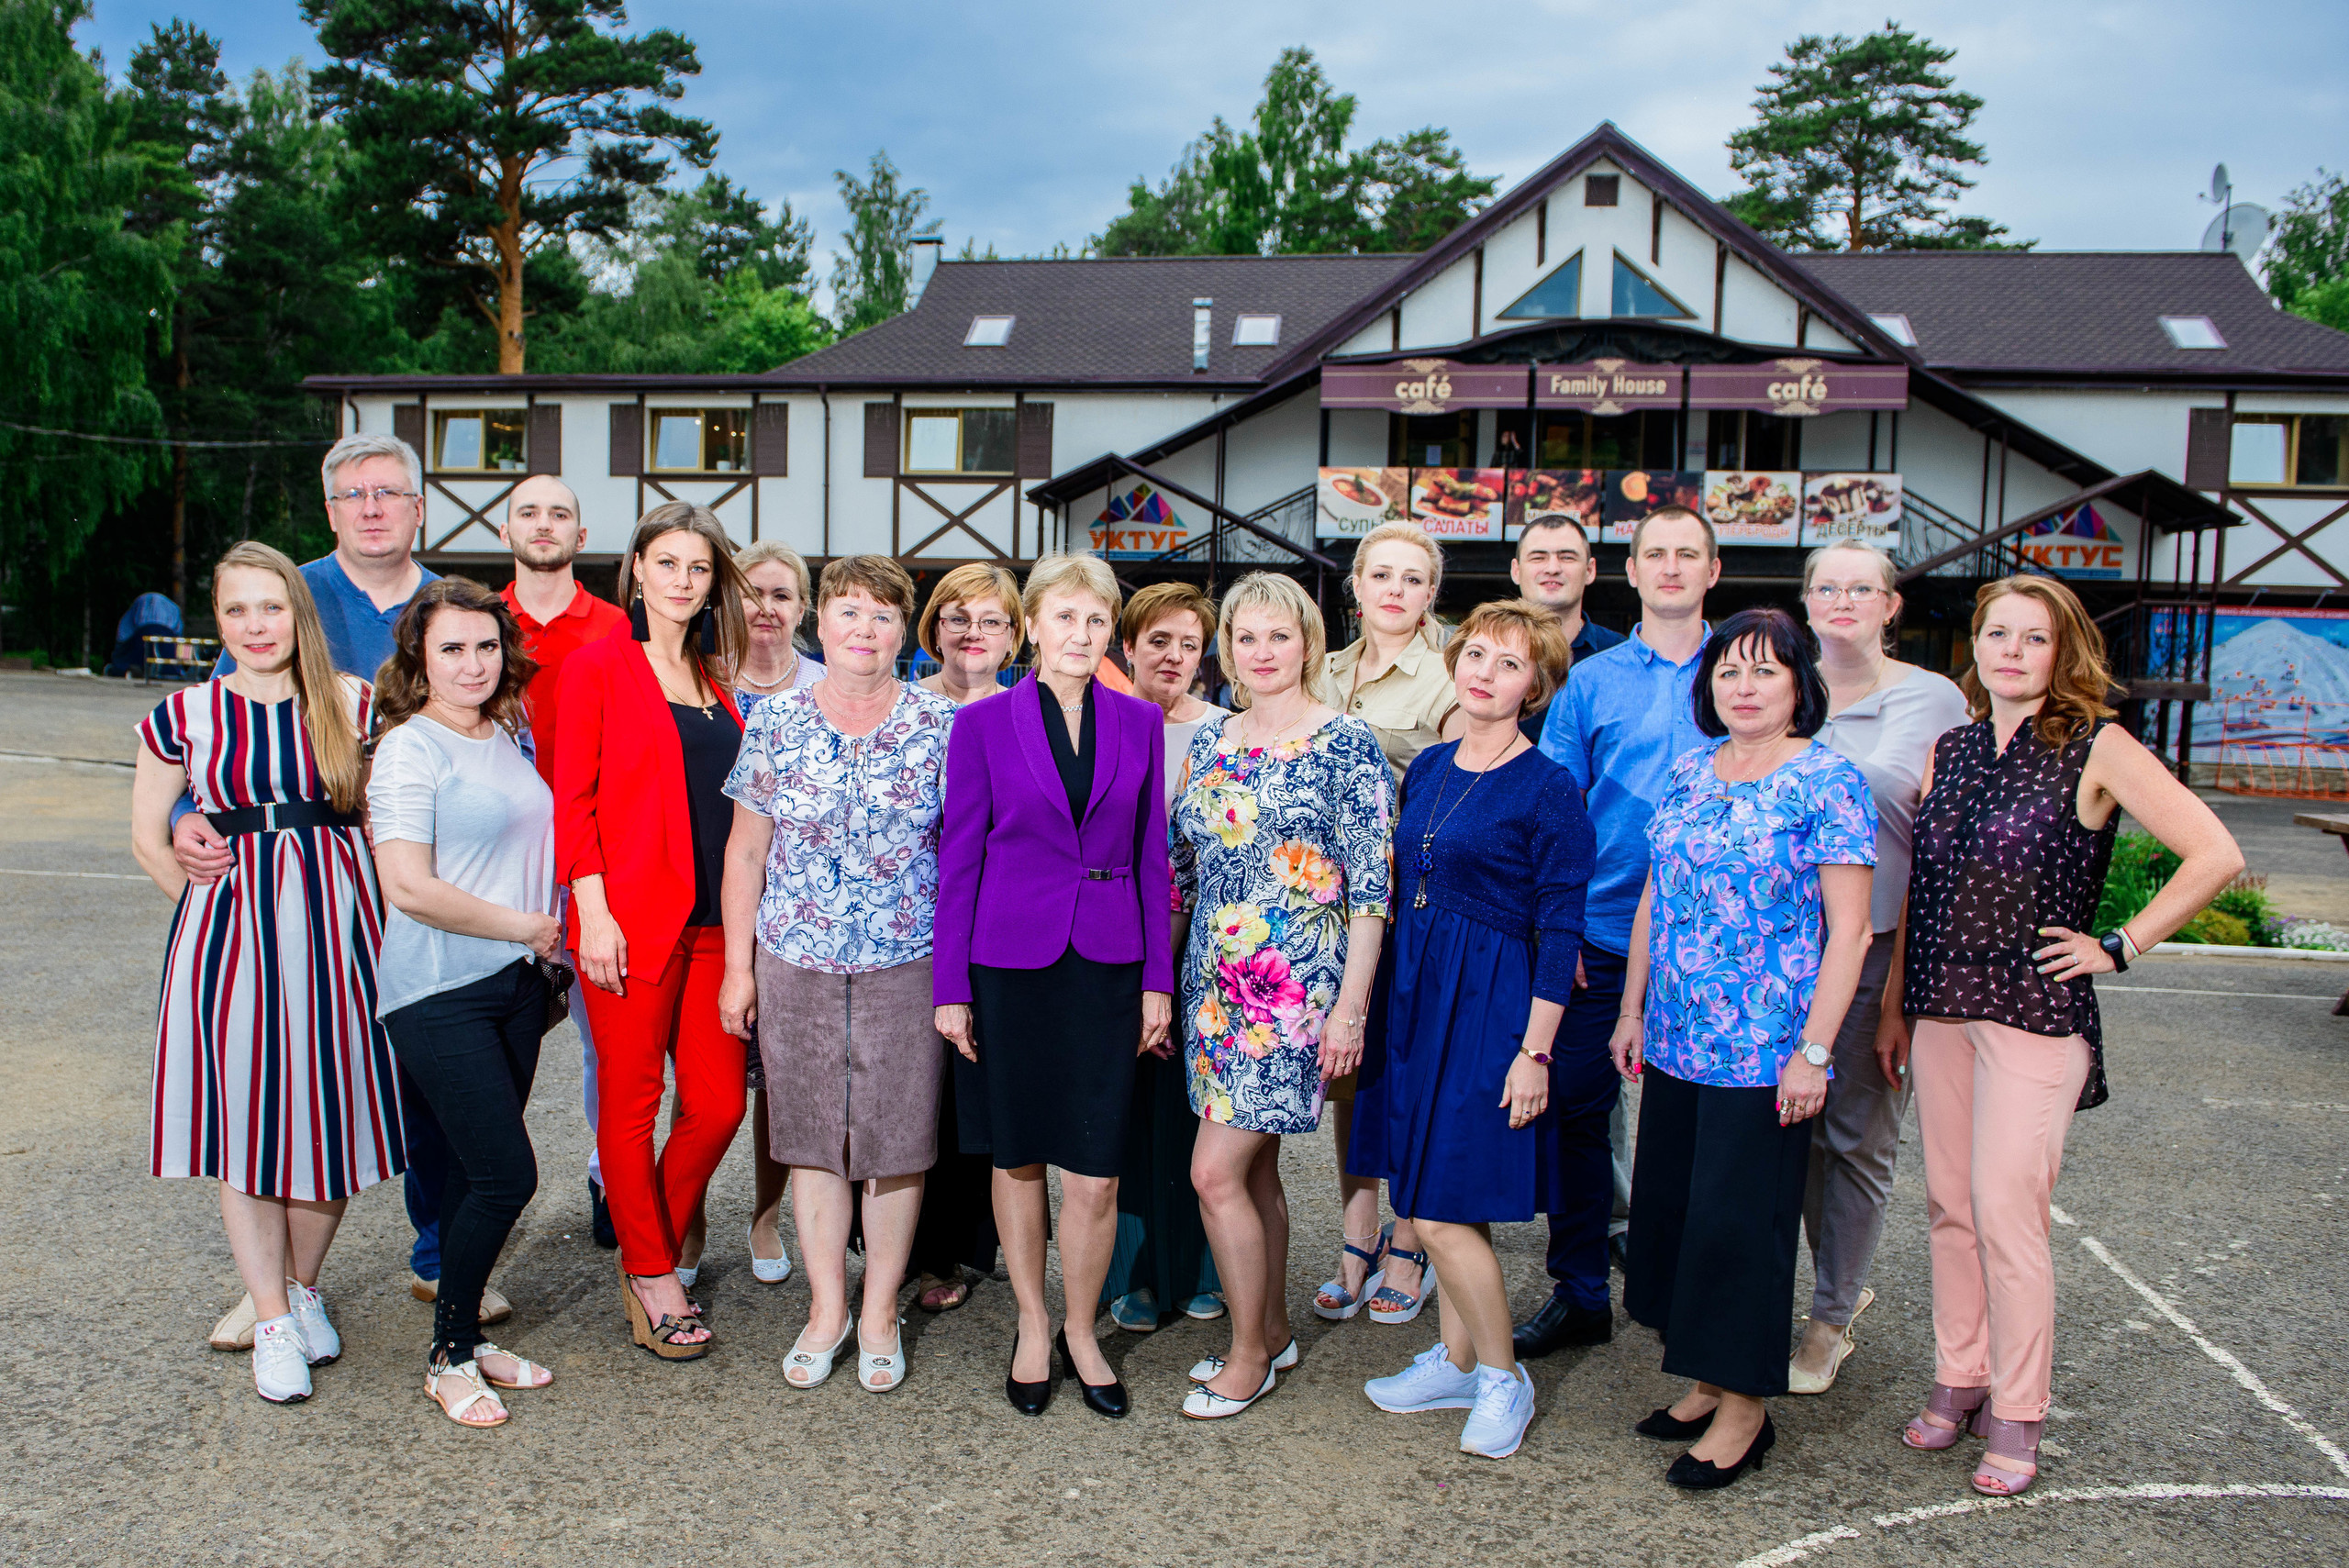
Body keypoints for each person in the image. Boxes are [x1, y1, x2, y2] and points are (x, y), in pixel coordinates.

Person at [1898, 574, 2242, 1497]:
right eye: (1996, 633)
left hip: (2036, 1012)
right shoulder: (1950, 747)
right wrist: (1895, 1008)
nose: (2011, 651)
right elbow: (1923, 890)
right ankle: (1961, 1374)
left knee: (2006, 1211)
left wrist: (2119, 944)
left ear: (2064, 652)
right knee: (1948, 1205)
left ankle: (2018, 1409)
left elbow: (2216, 852)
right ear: (1974, 645)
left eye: (2034, 637)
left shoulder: (2098, 743)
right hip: (1939, 1008)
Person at [173, 436, 492, 1356]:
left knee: (433, 1075)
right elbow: (219, 739)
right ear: (330, 510)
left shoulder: (451, 603)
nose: (372, 507)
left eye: (388, 491)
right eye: (353, 494)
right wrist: (186, 817)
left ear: (419, 506)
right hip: (315, 888)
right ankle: (274, 1290)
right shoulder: (288, 592)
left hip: (425, 872)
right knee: (295, 1086)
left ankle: (441, 1253)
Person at [1613, 606, 1877, 1489]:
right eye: (1729, 670)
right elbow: (1655, 895)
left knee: (1739, 1230)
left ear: (1801, 684)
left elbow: (1850, 932)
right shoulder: (1691, 770)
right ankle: (1705, 1378)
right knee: (1678, 1218)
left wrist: (1815, 1051)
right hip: (1677, 1040)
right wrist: (1631, 1009)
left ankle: (1745, 1411)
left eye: (1766, 669)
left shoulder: (1828, 781)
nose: (1745, 685)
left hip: (1765, 1052)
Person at [128, 541, 397, 1404]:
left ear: (298, 614)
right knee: (247, 1130)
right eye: (237, 609)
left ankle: (304, 1290)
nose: (256, 625)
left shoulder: (353, 704)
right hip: (231, 948)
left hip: (341, 941)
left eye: (271, 606)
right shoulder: (185, 714)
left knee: (330, 1127)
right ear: (217, 619)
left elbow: (388, 820)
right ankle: (272, 1320)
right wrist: (212, 919)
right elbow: (147, 835)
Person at [933, 551, 1174, 1419]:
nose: (1081, 633)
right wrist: (949, 986)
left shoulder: (1140, 721)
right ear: (1031, 624)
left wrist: (1157, 981)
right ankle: (1032, 1323)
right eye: (1065, 617)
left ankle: (1081, 1327)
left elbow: (1152, 856)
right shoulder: (982, 725)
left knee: (1097, 1169)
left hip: (1108, 964)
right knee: (1019, 1153)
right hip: (1007, 964)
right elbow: (958, 858)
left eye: (1097, 619)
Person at [1351, 600, 1593, 1460]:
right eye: (1477, 654)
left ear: (1536, 685)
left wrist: (1535, 1051)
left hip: (1492, 1003)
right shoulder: (1431, 765)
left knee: (1443, 1208)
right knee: (1430, 1193)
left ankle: (1501, 1376)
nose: (1486, 672)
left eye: (1510, 663)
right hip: (1419, 991)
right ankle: (1456, 1362)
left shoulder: (1550, 786)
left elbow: (1561, 930)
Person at [719, 555, 959, 1394]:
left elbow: (963, 853)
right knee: (813, 1139)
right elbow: (746, 851)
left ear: (904, 631)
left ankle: (881, 1307)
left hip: (907, 961)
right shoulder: (776, 721)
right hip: (797, 959)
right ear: (820, 622)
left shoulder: (941, 725)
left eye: (883, 614)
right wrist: (739, 969)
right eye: (849, 611)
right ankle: (827, 1308)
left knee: (897, 1141)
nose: (865, 628)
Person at [1173, 572, 1393, 1418]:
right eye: (1247, 637)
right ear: (1228, 648)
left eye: (1280, 635)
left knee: (1213, 1172)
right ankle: (1270, 1330)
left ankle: (1246, 1357)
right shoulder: (1214, 738)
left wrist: (1351, 1007)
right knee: (1254, 1168)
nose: (1262, 652)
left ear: (1307, 643)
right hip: (1213, 987)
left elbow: (1371, 887)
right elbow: (1184, 866)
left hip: (1292, 993)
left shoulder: (1345, 741)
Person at [1519, 503, 1720, 1360]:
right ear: (1631, 572)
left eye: (1688, 553)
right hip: (1600, 931)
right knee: (1576, 1112)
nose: (1671, 567)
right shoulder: (1591, 682)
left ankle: (1687, 1293)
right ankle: (1581, 1290)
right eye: (1655, 553)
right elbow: (1559, 813)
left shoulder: (1746, 671)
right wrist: (1555, 930)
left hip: (1716, 942)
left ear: (1712, 570)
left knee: (1701, 1126)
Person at [553, 502, 751, 1360]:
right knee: (631, 1103)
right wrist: (592, 912)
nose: (682, 580)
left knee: (719, 1105)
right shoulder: (598, 666)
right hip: (628, 924)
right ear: (635, 568)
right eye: (666, 562)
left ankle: (647, 1249)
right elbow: (573, 799)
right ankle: (653, 1274)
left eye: (698, 567)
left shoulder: (716, 679)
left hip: (715, 928)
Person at [369, 578, 561, 1428]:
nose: (473, 663)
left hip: (515, 987)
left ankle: (463, 1339)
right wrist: (527, 925)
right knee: (504, 1174)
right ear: (420, 658)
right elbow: (408, 885)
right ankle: (446, 1359)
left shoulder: (505, 732)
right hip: (439, 990)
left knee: (462, 1174)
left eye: (486, 645)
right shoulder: (410, 748)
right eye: (451, 648)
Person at [1787, 541, 1970, 1395]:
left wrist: (1901, 994)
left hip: (1876, 944)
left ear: (1891, 605)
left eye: (1862, 587)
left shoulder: (1933, 699)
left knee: (1855, 1138)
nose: (1843, 599)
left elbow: (1940, 850)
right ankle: (1827, 1286)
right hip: (1775, 951)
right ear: (1807, 600)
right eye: (1827, 586)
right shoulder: (1783, 684)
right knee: (1789, 1133)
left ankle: (1829, 1320)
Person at [1319, 522, 1459, 1328]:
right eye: (1381, 574)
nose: (1395, 590)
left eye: (1412, 577)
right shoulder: (1324, 667)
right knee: (1352, 1075)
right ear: (1358, 584)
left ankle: (1410, 1240)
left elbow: (1460, 794)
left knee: (1412, 1072)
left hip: (1413, 904)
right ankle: (1358, 1230)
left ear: (1430, 592)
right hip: (1328, 904)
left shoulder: (1448, 675)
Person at [674, 538, 819, 1291]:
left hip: (798, 913)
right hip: (709, 900)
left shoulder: (826, 684)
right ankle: (689, 1218)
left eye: (782, 594)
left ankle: (765, 1216)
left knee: (780, 1085)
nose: (766, 608)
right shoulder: (699, 679)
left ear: (804, 607)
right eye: (751, 593)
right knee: (704, 1083)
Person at [495, 475, 629, 1253]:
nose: (543, 524)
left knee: (602, 1039)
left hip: (589, 859)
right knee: (493, 1040)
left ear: (581, 536)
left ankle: (610, 1174)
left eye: (559, 514)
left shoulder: (616, 626)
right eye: (528, 512)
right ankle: (484, 1201)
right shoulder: (479, 623)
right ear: (505, 529)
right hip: (498, 862)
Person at [1103, 582, 1228, 1334]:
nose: (1174, 656)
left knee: (1198, 1110)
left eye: (1189, 644)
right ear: (1128, 647)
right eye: (1158, 641)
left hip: (1208, 948)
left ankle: (1199, 1267)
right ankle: (1132, 1273)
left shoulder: (1225, 733)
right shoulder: (1101, 723)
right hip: (1118, 940)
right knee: (1124, 1111)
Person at [905, 562, 1026, 1313]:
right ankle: (916, 1250)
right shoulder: (906, 709)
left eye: (990, 619)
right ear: (934, 629)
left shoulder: (1032, 714)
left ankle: (975, 1243)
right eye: (957, 617)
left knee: (984, 1089)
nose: (973, 632)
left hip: (1000, 928)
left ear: (1015, 634)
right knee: (917, 1094)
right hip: (909, 926)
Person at [1508, 512, 1624, 743]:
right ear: (1516, 570)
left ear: (1590, 570)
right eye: (1538, 557)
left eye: (1567, 557)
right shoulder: (1486, 653)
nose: (1552, 568)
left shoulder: (1620, 654)